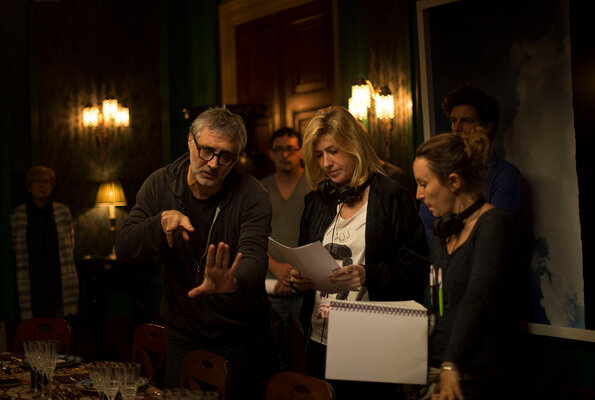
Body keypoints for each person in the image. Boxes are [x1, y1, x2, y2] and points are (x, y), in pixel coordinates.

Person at [114, 107, 277, 400]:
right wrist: (159, 222)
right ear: (190, 142)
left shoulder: (252, 194)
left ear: (236, 157)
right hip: (183, 337)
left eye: (225, 156)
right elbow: (124, 248)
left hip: (242, 337)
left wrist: (232, 282)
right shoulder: (160, 184)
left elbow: (255, 259)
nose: (213, 164)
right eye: (206, 151)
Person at [290, 106, 429, 399]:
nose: (326, 163)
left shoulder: (391, 193)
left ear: (355, 147)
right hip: (318, 336)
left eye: (334, 151)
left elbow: (416, 266)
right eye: (318, 155)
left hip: (370, 339)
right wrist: (298, 279)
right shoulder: (317, 201)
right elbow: (306, 257)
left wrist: (369, 274)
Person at [412, 128, 519, 399]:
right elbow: (436, 304)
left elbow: (478, 297)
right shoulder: (441, 232)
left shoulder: (494, 224)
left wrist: (451, 364)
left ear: (454, 181)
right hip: (436, 372)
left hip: (476, 379)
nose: (418, 194)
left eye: (424, 183)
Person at [419, 83, 523, 242]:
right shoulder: (441, 171)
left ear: (487, 126)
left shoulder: (505, 174)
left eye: (466, 120)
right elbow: (428, 230)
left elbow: (495, 233)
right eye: (453, 120)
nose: (457, 127)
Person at [260, 127, 310, 369]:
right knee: (271, 354)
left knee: (314, 351)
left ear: (300, 152)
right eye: (279, 149)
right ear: (271, 153)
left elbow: (323, 234)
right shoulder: (260, 189)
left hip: (307, 281)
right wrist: (276, 268)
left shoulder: (315, 184)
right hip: (271, 284)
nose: (285, 155)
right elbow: (251, 235)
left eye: (290, 149)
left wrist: (295, 272)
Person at [10, 166, 79, 321]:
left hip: (57, 280)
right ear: (29, 186)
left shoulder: (62, 212)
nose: (42, 186)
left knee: (60, 326)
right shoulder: (18, 215)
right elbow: (15, 249)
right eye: (37, 182)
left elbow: (70, 244)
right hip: (32, 281)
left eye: (46, 181)